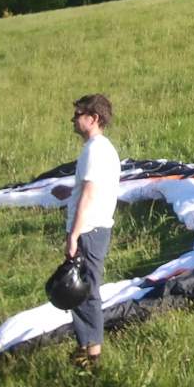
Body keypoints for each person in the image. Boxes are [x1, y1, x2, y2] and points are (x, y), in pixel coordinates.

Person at [65, 93, 120, 371]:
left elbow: (89, 195)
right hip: (93, 227)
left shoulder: (95, 151)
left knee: (84, 290)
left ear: (93, 118)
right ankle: (86, 347)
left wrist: (73, 235)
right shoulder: (100, 149)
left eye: (78, 114)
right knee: (82, 289)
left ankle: (92, 355)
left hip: (89, 229)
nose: (73, 119)